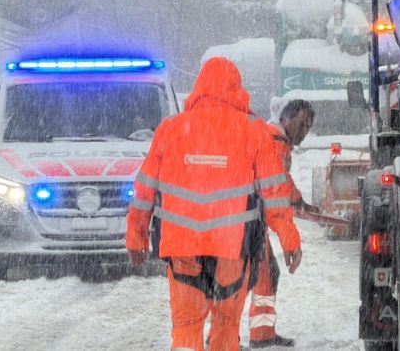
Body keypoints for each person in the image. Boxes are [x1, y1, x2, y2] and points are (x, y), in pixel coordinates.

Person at [126, 58, 302, 351]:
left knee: (186, 324)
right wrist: (290, 240)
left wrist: (136, 237)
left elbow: (144, 192)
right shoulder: (253, 131)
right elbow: (274, 194)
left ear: (199, 88)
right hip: (232, 249)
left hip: (182, 246)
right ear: (237, 89)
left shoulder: (171, 129)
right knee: (226, 324)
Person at [248, 99, 315, 349]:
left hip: (250, 217)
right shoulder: (275, 140)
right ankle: (247, 335)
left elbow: (282, 179)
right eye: (300, 123)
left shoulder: (277, 139)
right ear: (285, 118)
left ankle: (257, 333)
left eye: (308, 127)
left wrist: (298, 201)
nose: (303, 131)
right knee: (250, 276)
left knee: (257, 275)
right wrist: (298, 202)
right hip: (250, 218)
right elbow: (278, 183)